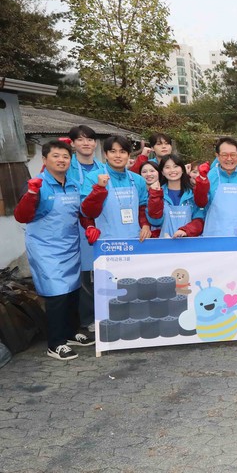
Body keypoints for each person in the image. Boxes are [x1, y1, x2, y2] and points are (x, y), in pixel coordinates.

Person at [14, 140, 95, 360]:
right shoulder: (37, 184)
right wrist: (31, 194)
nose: (61, 160)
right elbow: (22, 216)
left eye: (65, 156)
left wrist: (89, 226)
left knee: (72, 292)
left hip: (70, 246)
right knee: (57, 294)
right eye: (56, 156)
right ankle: (55, 343)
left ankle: (70, 333)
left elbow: (81, 213)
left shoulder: (73, 185)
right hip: (45, 249)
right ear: (45, 159)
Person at [66, 125, 107, 332]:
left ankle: (103, 315)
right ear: (73, 143)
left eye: (90, 139)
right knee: (81, 274)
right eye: (80, 139)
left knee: (99, 272)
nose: (86, 143)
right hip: (73, 225)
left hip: (99, 224)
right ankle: (87, 319)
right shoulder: (67, 166)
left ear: (96, 143)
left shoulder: (103, 168)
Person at [81, 136, 152, 242]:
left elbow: (143, 207)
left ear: (128, 155)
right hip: (106, 242)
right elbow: (87, 212)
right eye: (113, 151)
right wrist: (99, 189)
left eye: (122, 152)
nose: (118, 156)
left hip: (136, 240)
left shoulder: (138, 179)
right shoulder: (93, 178)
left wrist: (145, 225)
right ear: (106, 154)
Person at [194, 137, 237, 238]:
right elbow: (200, 203)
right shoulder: (210, 176)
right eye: (224, 155)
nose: (229, 159)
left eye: (233, 155)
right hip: (214, 234)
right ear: (217, 156)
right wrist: (202, 181)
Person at [146, 154, 205, 238]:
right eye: (167, 167)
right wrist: (155, 196)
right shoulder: (156, 193)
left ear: (183, 169)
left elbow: (199, 220)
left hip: (189, 242)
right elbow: (155, 221)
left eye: (176, 166)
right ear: (162, 172)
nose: (172, 170)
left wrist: (185, 231)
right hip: (164, 243)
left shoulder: (193, 194)